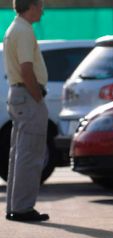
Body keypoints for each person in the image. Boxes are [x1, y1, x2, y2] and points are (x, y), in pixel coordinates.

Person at [3, 0, 49, 222]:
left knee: (19, 154)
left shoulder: (15, 28)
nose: (42, 9)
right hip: (28, 95)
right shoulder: (23, 30)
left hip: (19, 95)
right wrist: (38, 96)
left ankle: (15, 207)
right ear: (30, 6)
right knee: (29, 154)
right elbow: (26, 68)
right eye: (40, 5)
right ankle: (22, 209)